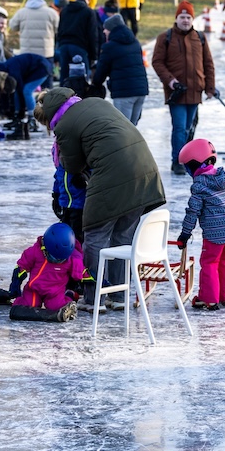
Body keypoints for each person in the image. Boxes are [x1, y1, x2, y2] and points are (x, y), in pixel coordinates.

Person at [34, 87, 166, 312]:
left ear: (50, 116)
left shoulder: (65, 124)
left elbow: (72, 166)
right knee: (122, 237)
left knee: (95, 237)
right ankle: (118, 295)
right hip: (144, 172)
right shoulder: (96, 102)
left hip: (112, 177)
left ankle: (93, 298)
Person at [175, 139, 225, 311]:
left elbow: (193, 212)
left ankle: (209, 299)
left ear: (194, 165)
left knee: (210, 262)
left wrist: (185, 234)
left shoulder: (199, 185)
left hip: (214, 233)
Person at [152, 1, 217, 173]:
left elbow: (208, 64)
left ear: (193, 19)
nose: (185, 20)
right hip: (177, 93)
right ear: (176, 18)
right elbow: (157, 62)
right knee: (180, 128)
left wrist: (210, 87)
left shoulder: (200, 38)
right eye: (182, 17)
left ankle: (187, 159)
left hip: (195, 91)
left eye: (188, 17)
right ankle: (177, 161)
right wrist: (170, 81)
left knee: (189, 128)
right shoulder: (165, 37)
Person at [7, 223, 87, 323]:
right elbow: (22, 266)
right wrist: (16, 283)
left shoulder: (73, 259)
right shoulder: (35, 252)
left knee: (58, 307)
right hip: (34, 289)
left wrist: (95, 279)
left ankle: (70, 295)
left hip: (55, 292)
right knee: (29, 305)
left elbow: (81, 273)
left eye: (61, 259)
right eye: (54, 258)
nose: (57, 261)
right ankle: (22, 301)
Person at [92, 13, 149, 125]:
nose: (104, 31)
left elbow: (101, 71)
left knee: (122, 128)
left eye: (106, 29)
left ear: (112, 29)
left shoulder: (109, 47)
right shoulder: (135, 43)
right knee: (132, 128)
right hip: (141, 91)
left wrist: (95, 84)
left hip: (124, 92)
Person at [9, 0, 58, 90]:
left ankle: (27, 100)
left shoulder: (21, 12)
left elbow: (13, 26)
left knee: (27, 83)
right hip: (46, 53)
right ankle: (48, 99)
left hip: (27, 54)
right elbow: (59, 29)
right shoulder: (51, 13)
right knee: (47, 83)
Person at [0, 53, 53, 134]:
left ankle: (33, 118)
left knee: (27, 91)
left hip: (42, 68)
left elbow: (20, 89)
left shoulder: (12, 70)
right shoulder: (7, 67)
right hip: (37, 66)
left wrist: (21, 110)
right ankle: (17, 117)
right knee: (17, 91)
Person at [57, 0, 99, 85]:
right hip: (79, 46)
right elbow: (92, 34)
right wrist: (94, 55)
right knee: (82, 77)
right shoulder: (88, 12)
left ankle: (62, 93)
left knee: (64, 75)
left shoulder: (65, 10)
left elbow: (60, 29)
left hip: (64, 45)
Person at [52, 161, 89, 243]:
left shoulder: (81, 159)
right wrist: (55, 195)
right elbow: (58, 177)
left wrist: (84, 178)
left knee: (78, 237)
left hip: (80, 205)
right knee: (65, 236)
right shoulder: (62, 162)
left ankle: (79, 250)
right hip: (65, 204)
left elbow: (96, 170)